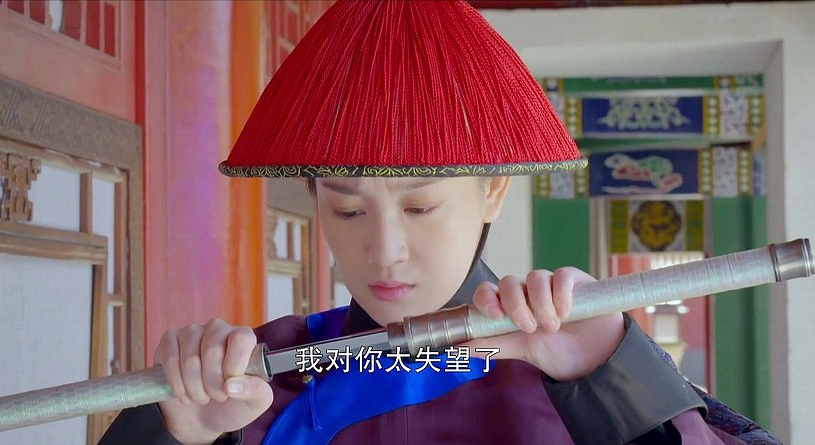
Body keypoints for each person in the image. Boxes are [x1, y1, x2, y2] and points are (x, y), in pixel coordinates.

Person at [99, 1, 781, 444]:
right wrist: (179, 432)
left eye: (420, 207)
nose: (384, 250)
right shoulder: (262, 373)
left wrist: (613, 378)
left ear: (493, 191)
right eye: (346, 208)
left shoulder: (588, 367)